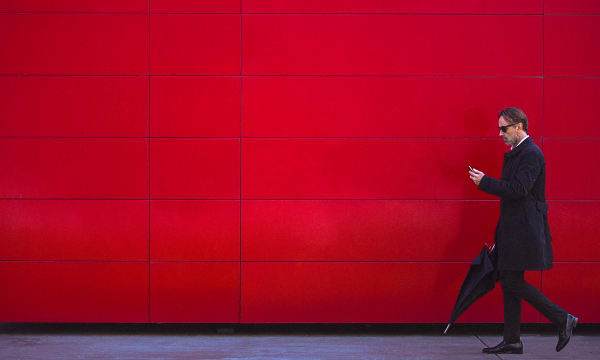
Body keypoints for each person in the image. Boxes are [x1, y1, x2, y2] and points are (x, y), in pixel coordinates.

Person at [468, 107, 577, 354]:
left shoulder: (531, 154)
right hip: (515, 229)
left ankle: (562, 319)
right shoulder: (519, 152)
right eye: (499, 128)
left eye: (504, 128)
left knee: (511, 281)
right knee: (510, 282)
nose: (500, 134)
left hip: (524, 231)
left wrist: (485, 182)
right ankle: (513, 340)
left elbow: (519, 189)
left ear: (519, 126)